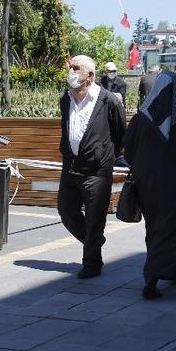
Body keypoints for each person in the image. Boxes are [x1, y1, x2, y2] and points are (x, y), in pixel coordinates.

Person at [124, 72, 176, 300]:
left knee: (156, 227)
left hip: (148, 185)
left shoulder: (141, 118)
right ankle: (153, 276)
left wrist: (145, 168)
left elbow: (128, 150)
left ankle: (169, 268)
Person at [58, 55, 127, 279]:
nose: (71, 72)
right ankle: (93, 240)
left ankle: (92, 262)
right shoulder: (65, 99)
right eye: (70, 67)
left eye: (75, 68)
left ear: (90, 75)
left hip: (97, 170)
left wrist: (106, 156)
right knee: (66, 212)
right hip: (71, 167)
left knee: (95, 217)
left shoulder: (109, 101)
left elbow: (120, 133)